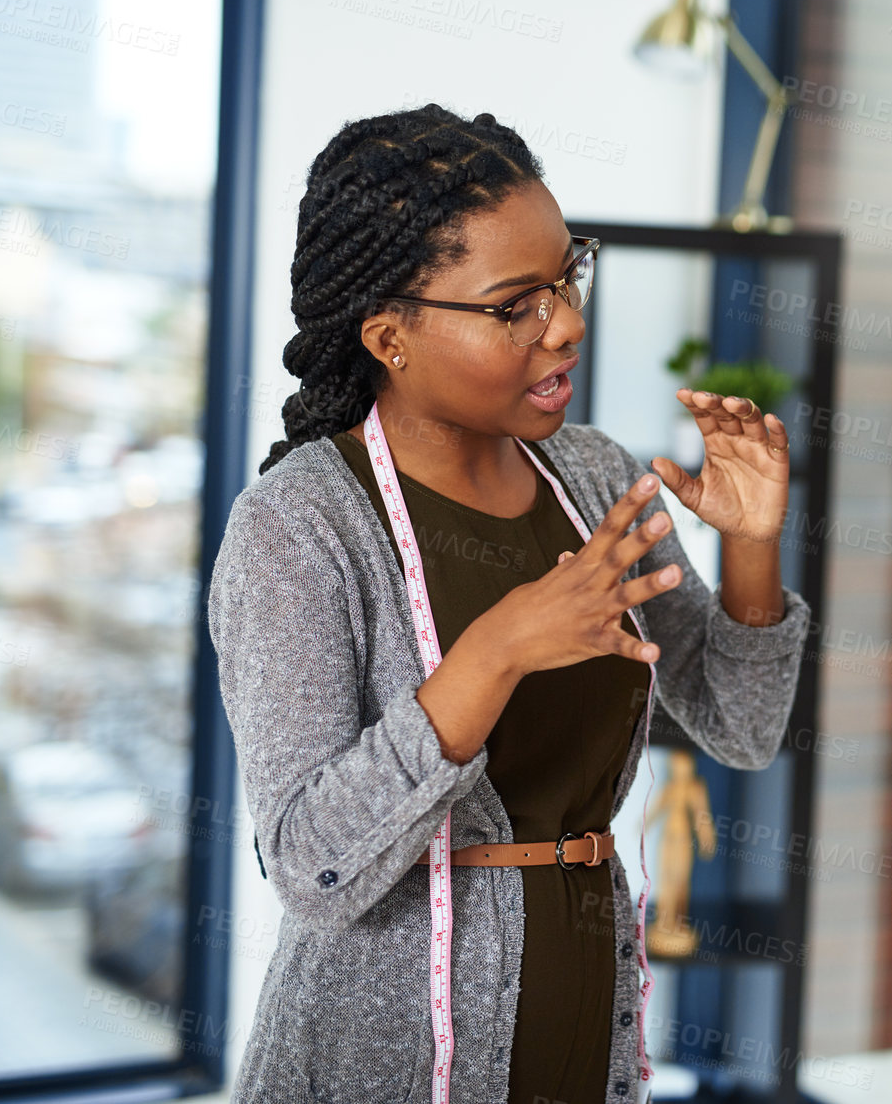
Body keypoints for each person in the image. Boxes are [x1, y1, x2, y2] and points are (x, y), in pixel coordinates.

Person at [208, 104, 811, 1104]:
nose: (566, 321)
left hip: (583, 1034)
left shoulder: (588, 475)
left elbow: (740, 729)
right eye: (513, 304)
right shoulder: (298, 527)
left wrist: (749, 543)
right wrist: (493, 656)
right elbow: (313, 866)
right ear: (390, 337)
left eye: (567, 277)